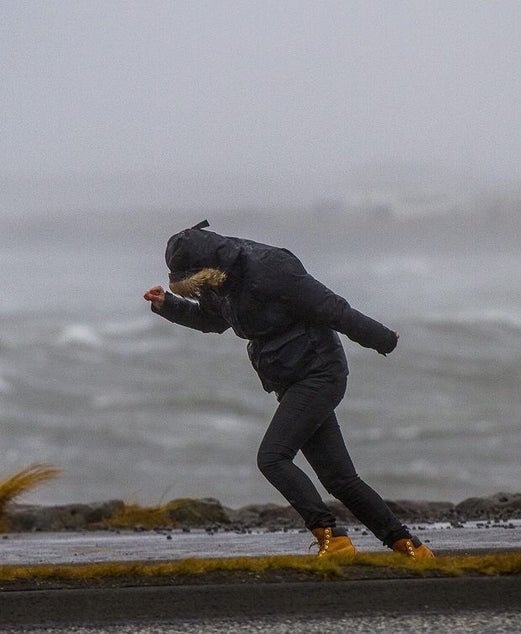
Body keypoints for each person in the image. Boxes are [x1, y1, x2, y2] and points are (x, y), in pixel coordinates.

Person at [143, 220, 434, 560]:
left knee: (273, 457)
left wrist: (382, 338)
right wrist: (169, 306)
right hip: (290, 378)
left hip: (320, 371)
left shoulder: (271, 267)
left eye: (195, 284)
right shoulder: (219, 283)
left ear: (208, 265)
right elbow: (215, 321)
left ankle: (334, 539)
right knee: (339, 479)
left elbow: (333, 309)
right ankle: (410, 548)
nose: (198, 290)